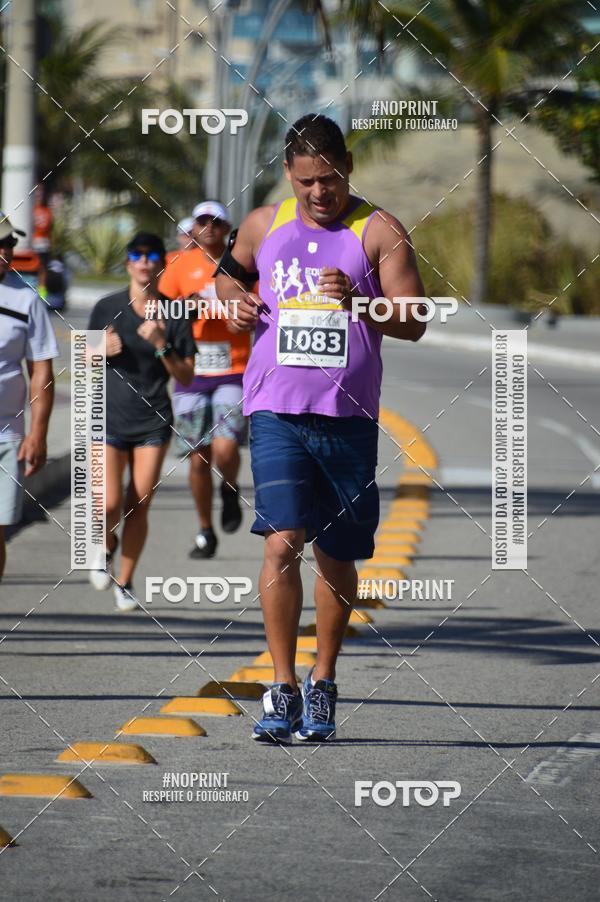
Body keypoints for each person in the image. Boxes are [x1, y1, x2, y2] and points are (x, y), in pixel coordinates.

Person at [215, 114, 427, 744]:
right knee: (281, 542)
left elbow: (415, 318)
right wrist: (231, 296)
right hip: (276, 408)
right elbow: (227, 272)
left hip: (349, 419)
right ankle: (280, 685)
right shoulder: (264, 223)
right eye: (306, 181)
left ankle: (323, 679)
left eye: (329, 179)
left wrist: (359, 302)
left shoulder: (379, 230)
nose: (318, 193)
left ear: (349, 167)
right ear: (289, 175)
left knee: (337, 554)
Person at [88, 232, 195, 611]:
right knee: (108, 502)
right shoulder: (106, 306)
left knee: (139, 503)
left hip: (152, 419)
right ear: (128, 262)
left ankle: (126, 579)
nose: (144, 261)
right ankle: (104, 544)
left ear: (162, 263)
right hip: (108, 415)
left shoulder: (175, 312)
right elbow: (85, 358)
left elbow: (185, 375)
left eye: (152, 255)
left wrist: (162, 344)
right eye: (137, 254)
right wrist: (99, 349)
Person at [159, 201, 250, 560]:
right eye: (202, 221)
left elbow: (255, 305)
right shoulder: (179, 265)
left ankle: (229, 488)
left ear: (227, 228)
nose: (209, 227)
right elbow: (161, 308)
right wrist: (186, 307)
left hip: (234, 368)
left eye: (217, 221)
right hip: (191, 372)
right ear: (193, 227)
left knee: (226, 447)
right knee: (198, 458)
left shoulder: (241, 262)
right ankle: (205, 530)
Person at [0, 213, 58, 579]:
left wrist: (38, 433)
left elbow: (41, 371)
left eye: (8, 244)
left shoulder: (26, 299)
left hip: (7, 435)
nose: (5, 251)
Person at [32, 185, 53, 300]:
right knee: (40, 269)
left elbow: (49, 228)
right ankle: (40, 291)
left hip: (41, 243)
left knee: (42, 269)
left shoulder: (46, 211)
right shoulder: (34, 209)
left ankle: (42, 292)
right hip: (39, 243)